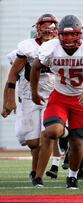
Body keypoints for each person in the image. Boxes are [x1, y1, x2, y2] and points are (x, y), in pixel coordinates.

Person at [31, 15, 83, 189]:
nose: (68, 38)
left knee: (78, 142)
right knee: (53, 131)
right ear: (59, 34)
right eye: (65, 35)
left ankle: (72, 176)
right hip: (60, 96)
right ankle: (39, 176)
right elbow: (35, 68)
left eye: (73, 34)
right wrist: (34, 92)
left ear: (80, 34)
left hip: (80, 98)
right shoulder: (50, 48)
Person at [1, 14, 58, 182]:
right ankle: (38, 168)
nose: (48, 31)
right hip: (28, 97)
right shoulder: (27, 47)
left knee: (48, 134)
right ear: (38, 29)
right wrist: (8, 100)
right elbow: (12, 76)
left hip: (52, 97)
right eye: (44, 28)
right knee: (32, 141)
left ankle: (37, 173)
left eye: (51, 28)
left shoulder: (60, 47)